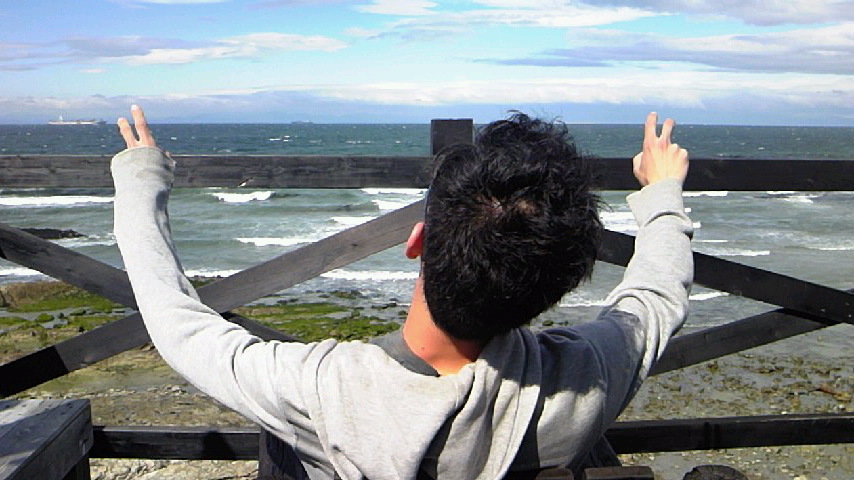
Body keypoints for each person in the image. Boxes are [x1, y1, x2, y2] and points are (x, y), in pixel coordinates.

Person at [112, 105, 692, 480]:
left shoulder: (322, 388)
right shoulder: (589, 374)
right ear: (561, 284)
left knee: (282, 440)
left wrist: (142, 179)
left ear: (416, 242)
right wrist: (662, 193)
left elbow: (180, 325)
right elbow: (656, 296)